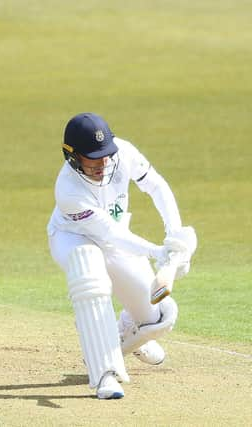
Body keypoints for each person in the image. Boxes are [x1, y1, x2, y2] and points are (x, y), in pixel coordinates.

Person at [47, 112, 196, 399]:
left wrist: (174, 236)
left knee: (161, 315)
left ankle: (124, 332)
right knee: (91, 273)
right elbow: (109, 234)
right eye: (93, 158)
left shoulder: (121, 153)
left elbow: (156, 186)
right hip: (73, 238)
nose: (102, 164)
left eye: (105, 155)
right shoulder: (67, 190)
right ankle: (105, 374)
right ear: (72, 157)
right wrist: (157, 252)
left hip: (117, 240)